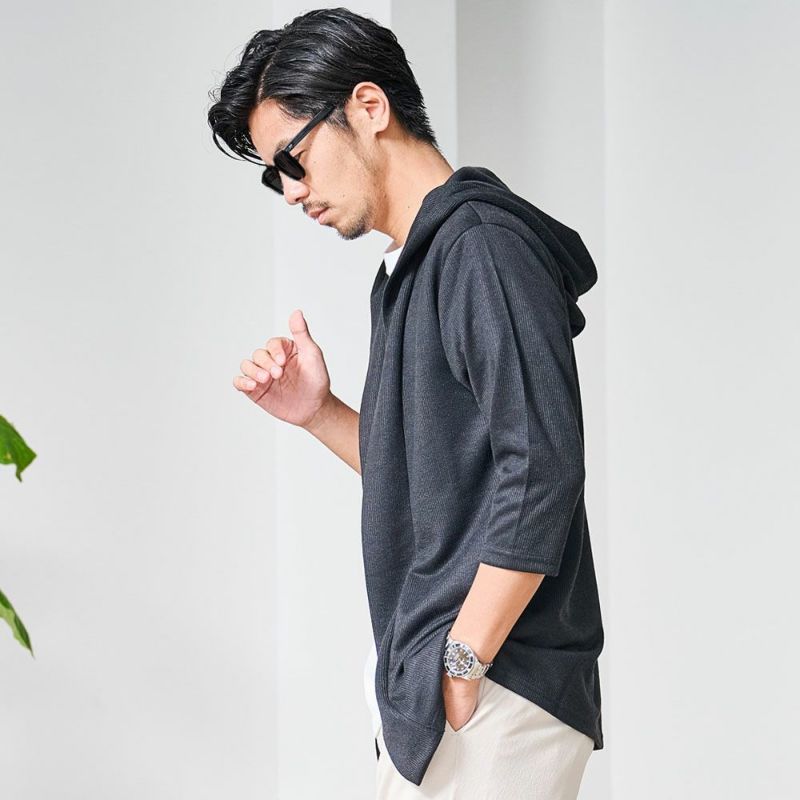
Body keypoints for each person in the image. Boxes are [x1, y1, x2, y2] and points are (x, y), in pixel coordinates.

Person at [207, 7, 604, 798]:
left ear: (368, 106)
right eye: (274, 176)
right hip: (440, 695)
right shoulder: (410, 273)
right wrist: (318, 411)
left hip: (499, 687)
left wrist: (464, 661)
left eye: (293, 159)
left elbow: (543, 466)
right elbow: (437, 481)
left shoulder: (481, 248)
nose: (291, 192)